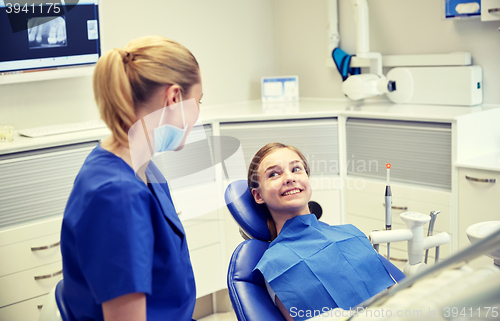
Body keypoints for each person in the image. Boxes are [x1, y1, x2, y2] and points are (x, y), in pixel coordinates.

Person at [60, 36, 203, 321]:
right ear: (174, 98)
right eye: (198, 101)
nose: (198, 114)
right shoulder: (116, 196)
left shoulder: (140, 165)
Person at [248, 142, 396, 321]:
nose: (289, 178)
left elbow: (397, 298)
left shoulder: (351, 234)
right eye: (274, 174)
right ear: (258, 195)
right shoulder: (276, 264)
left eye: (296, 169)